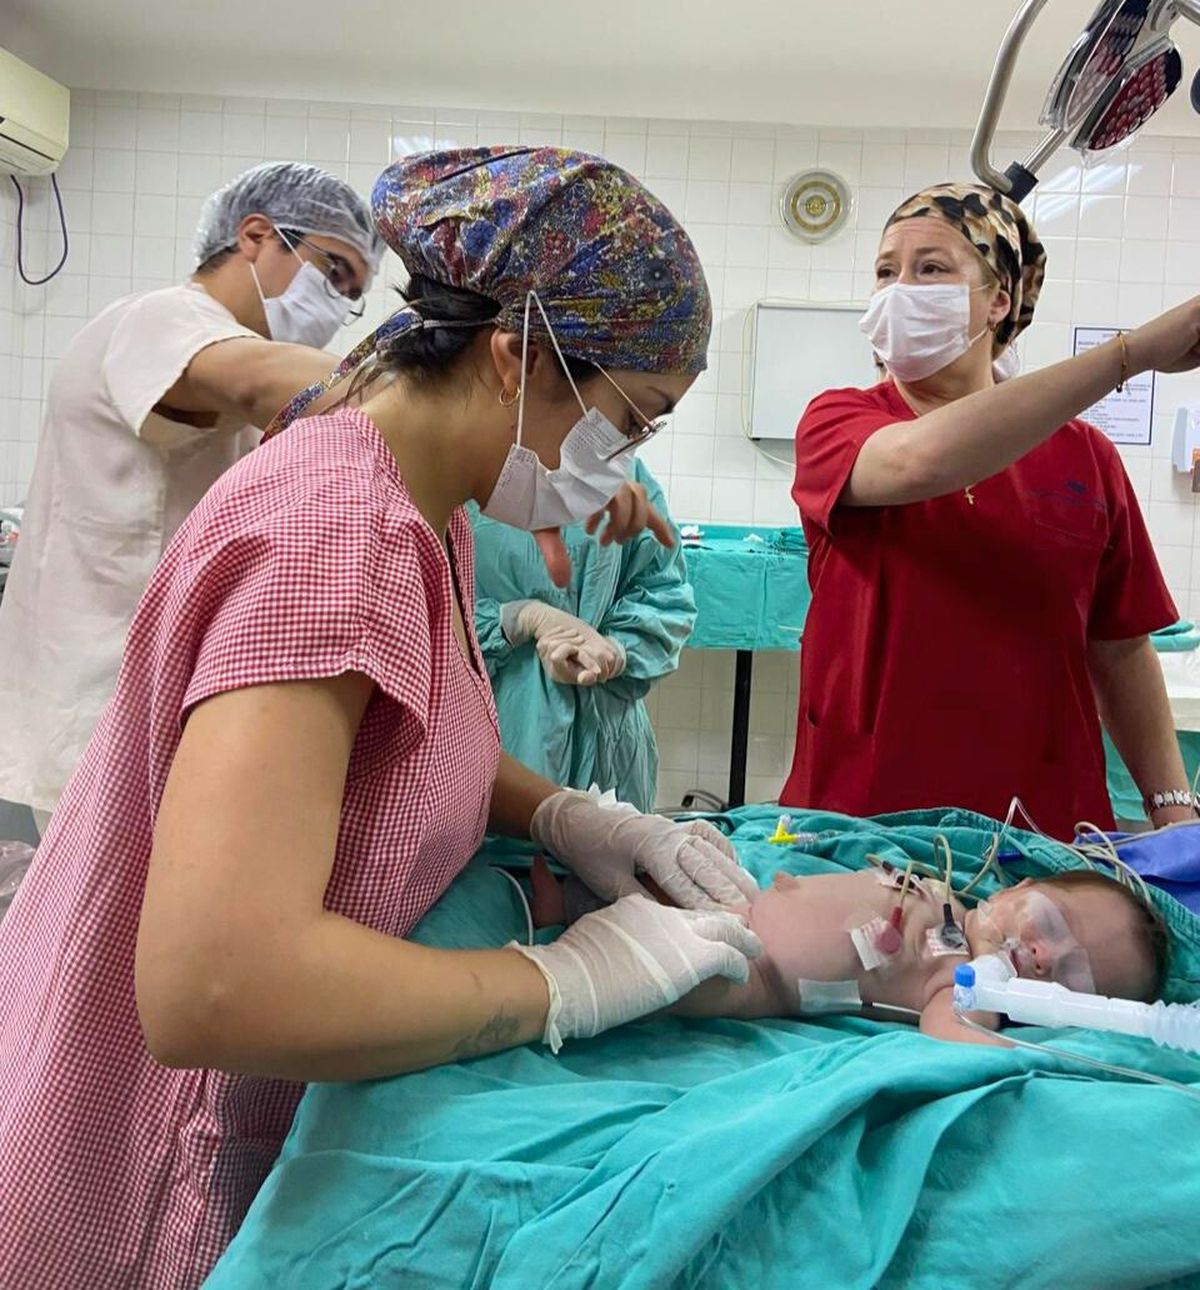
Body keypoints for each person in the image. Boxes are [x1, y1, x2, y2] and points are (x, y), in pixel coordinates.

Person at [0, 145, 762, 1290]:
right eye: (631, 425)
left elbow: (412, 727)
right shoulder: (337, 537)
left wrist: (568, 816)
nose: (622, 469)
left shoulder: (418, 502)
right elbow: (217, 988)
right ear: (515, 356)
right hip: (148, 1166)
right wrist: (565, 984)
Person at [780, 183, 1200, 838]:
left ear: (999, 299)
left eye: (932, 269)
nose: (899, 289)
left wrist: (1172, 805)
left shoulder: (1086, 458)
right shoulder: (839, 421)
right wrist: (1131, 354)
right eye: (886, 270)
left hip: (1042, 823)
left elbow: (1120, 648)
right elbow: (925, 462)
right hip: (864, 817)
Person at [0, 162, 383, 831]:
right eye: (334, 271)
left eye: (352, 291)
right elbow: (255, 381)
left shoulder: (229, 363)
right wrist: (458, 396)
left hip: (149, 710)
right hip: (105, 712)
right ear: (257, 236)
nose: (337, 303)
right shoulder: (163, 319)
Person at [526, 854, 1170, 1044]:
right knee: (655, 887)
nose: (1044, 956)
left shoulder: (970, 984)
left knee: (662, 975)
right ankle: (568, 911)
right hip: (745, 910)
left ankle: (560, 982)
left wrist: (994, 1039)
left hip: (756, 976)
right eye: (1053, 926)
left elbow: (949, 1031)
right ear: (1021, 887)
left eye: (1071, 979)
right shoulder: (953, 895)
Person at [470, 456, 695, 813]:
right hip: (495, 743)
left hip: (608, 751)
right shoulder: (468, 474)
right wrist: (514, 620)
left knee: (608, 850)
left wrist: (617, 652)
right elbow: (424, 615)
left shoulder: (623, 473)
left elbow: (666, 594)